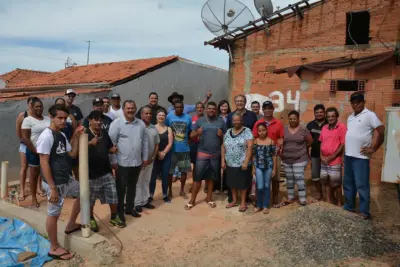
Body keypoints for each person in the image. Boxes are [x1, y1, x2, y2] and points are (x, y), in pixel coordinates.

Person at [37, 104, 83, 261]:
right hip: (54, 183)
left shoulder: (62, 135)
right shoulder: (47, 136)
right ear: (51, 117)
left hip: (66, 179)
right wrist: (52, 188)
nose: (64, 121)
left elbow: (71, 153)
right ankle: (54, 247)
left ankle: (70, 224)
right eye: (60, 118)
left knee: (84, 193)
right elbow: (43, 162)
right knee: (53, 214)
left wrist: (76, 136)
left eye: (65, 118)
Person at [344, 92, 384, 219]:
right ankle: (349, 206)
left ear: (363, 103)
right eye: (353, 102)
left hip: (361, 158)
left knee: (362, 185)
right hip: (348, 155)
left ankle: (364, 212)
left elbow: (381, 130)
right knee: (348, 183)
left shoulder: (370, 115)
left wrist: (373, 148)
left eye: (358, 102)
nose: (355, 105)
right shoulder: (350, 117)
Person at [109, 100, 149, 221]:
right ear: (123, 109)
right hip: (122, 163)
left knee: (132, 187)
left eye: (132, 108)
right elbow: (111, 144)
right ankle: (119, 213)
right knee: (121, 190)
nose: (131, 110)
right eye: (128, 108)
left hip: (136, 162)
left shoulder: (141, 124)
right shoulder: (117, 124)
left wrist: (145, 158)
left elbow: (145, 142)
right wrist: (113, 161)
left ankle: (130, 208)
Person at [85, 111, 124, 232]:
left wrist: (113, 150)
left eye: (100, 120)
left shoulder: (105, 134)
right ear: (90, 120)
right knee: (90, 199)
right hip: (91, 174)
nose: (98, 122)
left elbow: (109, 148)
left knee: (113, 195)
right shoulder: (84, 134)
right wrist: (89, 143)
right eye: (95, 120)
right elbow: (76, 151)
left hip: (106, 171)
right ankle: (90, 219)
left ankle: (113, 217)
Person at [186, 102, 226, 210]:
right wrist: (197, 133)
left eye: (213, 109)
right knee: (197, 178)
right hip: (202, 153)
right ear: (206, 110)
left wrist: (221, 135)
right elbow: (191, 136)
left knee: (211, 178)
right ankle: (192, 200)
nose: (211, 110)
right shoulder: (200, 121)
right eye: (209, 108)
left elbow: (226, 139)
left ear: (216, 110)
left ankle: (209, 198)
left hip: (215, 154)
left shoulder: (221, 122)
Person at [252, 101, 284, 208]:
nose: (267, 110)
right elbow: (254, 138)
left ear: (273, 109)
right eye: (265, 108)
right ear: (263, 110)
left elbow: (281, 137)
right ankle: (259, 200)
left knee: (275, 179)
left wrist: (280, 141)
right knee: (259, 181)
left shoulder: (278, 123)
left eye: (269, 108)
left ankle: (274, 199)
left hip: (274, 155)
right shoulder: (258, 123)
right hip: (260, 156)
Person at [21, 98, 51, 207]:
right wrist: (36, 151)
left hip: (47, 152)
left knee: (48, 174)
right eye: (36, 106)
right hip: (34, 152)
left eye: (40, 106)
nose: (39, 108)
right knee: (34, 175)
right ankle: (34, 198)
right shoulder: (27, 120)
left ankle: (50, 195)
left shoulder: (48, 119)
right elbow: (25, 138)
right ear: (32, 108)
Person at [222, 113, 254, 212]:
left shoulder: (247, 131)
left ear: (242, 121)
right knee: (232, 183)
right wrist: (223, 160)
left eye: (238, 120)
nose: (236, 122)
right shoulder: (228, 132)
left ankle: (243, 202)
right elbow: (223, 146)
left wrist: (246, 161)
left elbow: (250, 147)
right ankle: (235, 200)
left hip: (242, 163)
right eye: (234, 120)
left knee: (243, 184)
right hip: (230, 163)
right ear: (232, 121)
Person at [281, 110, 313, 206]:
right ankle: (291, 197)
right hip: (286, 159)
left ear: (298, 119)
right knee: (289, 179)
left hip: (300, 158)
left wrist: (303, 149)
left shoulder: (303, 130)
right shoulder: (284, 130)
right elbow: (281, 141)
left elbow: (310, 141)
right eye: (290, 119)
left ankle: (302, 199)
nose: (292, 120)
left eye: (294, 118)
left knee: (299, 177)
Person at [134, 106, 160, 213]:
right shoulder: (137, 127)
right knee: (138, 182)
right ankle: (137, 203)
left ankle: (145, 201)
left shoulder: (154, 128)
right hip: (139, 162)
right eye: (146, 113)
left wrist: (153, 157)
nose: (148, 115)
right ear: (141, 115)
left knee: (146, 181)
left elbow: (157, 144)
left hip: (150, 161)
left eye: (150, 113)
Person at [319, 107, 346, 206]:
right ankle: (329, 202)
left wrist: (332, 156)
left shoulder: (342, 127)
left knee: (336, 183)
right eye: (328, 116)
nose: (330, 118)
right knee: (326, 182)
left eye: (333, 116)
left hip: (335, 160)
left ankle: (339, 203)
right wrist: (321, 155)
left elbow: (342, 144)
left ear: (337, 116)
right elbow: (321, 142)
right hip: (324, 160)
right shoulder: (324, 127)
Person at [166, 100, 192, 199]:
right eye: (177, 107)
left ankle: (181, 191)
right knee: (170, 172)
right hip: (172, 149)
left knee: (184, 171)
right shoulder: (169, 116)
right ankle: (170, 191)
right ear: (174, 107)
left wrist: (187, 142)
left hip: (184, 149)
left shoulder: (187, 117)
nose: (179, 109)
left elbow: (189, 132)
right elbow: (165, 129)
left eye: (181, 107)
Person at [149, 109, 173, 203]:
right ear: (156, 116)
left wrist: (163, 153)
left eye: (163, 115)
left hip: (166, 156)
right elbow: (151, 143)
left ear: (165, 117)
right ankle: (150, 194)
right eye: (159, 115)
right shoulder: (152, 128)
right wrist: (157, 152)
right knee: (153, 176)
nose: (161, 117)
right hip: (154, 156)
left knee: (165, 176)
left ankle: (164, 195)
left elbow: (170, 143)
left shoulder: (169, 129)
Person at [253, 123, 277, 214]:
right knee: (260, 186)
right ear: (257, 132)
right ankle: (259, 205)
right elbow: (254, 156)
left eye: (263, 130)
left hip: (268, 167)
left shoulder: (271, 141)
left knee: (267, 186)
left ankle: (266, 206)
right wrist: (253, 168)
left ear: (266, 130)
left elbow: (274, 156)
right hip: (258, 166)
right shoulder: (255, 141)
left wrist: (274, 168)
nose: (261, 132)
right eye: (259, 131)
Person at [306, 104, 328, 202]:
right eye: (317, 112)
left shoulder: (329, 123)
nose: (319, 114)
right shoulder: (310, 125)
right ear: (314, 113)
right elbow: (307, 141)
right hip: (314, 155)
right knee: (315, 176)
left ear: (324, 113)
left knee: (327, 177)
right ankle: (320, 194)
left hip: (327, 156)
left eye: (321, 112)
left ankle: (329, 196)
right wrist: (306, 153)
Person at [16, 97, 33, 201]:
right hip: (24, 145)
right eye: (31, 104)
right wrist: (24, 140)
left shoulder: (38, 116)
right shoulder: (23, 116)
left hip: (35, 145)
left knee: (36, 168)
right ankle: (22, 190)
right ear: (28, 104)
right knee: (24, 167)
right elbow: (18, 130)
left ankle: (37, 188)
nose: (32, 106)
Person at [217, 100, 232, 194]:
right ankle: (217, 186)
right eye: (222, 106)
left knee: (227, 165)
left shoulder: (230, 117)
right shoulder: (216, 117)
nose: (223, 108)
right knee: (217, 165)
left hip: (229, 144)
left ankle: (226, 187)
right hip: (217, 143)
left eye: (225, 106)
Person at [189, 102, 204, 192]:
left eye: (201, 107)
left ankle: (205, 185)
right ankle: (194, 183)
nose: (199, 109)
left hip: (204, 144)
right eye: (197, 107)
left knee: (205, 165)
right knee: (195, 165)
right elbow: (190, 132)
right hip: (194, 144)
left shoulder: (207, 119)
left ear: (204, 109)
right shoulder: (192, 119)